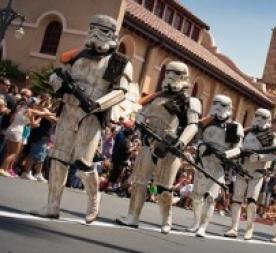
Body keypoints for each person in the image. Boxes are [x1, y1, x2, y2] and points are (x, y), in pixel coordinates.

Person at [30, 14, 135, 224]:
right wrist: (58, 83)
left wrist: (97, 104)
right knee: (59, 158)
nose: (95, 34)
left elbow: (121, 91)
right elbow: (57, 75)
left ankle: (94, 200)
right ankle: (52, 205)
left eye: (102, 30)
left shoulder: (118, 62)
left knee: (84, 164)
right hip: (68, 111)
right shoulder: (79, 55)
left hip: (91, 117)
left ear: (112, 35)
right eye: (92, 28)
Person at [116, 61, 201, 234]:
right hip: (149, 143)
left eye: (176, 73)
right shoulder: (157, 96)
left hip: (169, 147)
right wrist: (139, 122)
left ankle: (166, 219)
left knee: (163, 188)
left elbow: (193, 125)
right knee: (139, 182)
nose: (170, 76)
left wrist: (181, 142)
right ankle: (133, 216)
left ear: (184, 77)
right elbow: (141, 113)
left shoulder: (190, 101)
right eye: (168, 72)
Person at [187, 94, 243, 237]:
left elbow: (237, 148)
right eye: (215, 103)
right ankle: (196, 222)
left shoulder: (232, 127)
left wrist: (226, 155)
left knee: (210, 197)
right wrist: (200, 146)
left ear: (229, 108)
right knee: (196, 195)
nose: (218, 107)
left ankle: (203, 227)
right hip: (202, 162)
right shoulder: (206, 122)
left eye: (222, 105)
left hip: (218, 165)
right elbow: (195, 136)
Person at [224, 108, 276, 240]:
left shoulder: (273, 136)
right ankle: (234, 227)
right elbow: (237, 147)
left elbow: (274, 155)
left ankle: (249, 228)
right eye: (257, 115)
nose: (259, 119)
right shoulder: (247, 132)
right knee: (237, 198)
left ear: (269, 120)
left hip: (257, 171)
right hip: (242, 168)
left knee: (252, 200)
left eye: (263, 117)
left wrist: (260, 157)